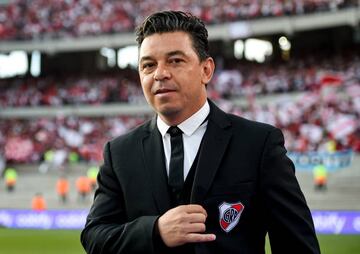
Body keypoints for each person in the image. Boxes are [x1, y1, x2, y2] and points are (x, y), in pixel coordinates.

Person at [81, 11, 320, 254]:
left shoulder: (259, 144)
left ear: (206, 70)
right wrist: (154, 231)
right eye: (148, 65)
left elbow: (298, 246)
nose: (160, 73)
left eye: (175, 60)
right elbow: (94, 237)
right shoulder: (120, 152)